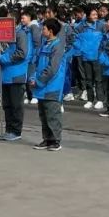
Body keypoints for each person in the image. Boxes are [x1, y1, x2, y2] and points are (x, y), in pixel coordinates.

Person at [0, 9, 30, 141]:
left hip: (16, 74)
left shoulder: (20, 34)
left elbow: (22, 53)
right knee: (7, 105)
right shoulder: (4, 34)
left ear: (15, 20)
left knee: (16, 105)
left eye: (8, 19)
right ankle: (9, 129)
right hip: (5, 75)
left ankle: (16, 131)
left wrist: (4, 58)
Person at [33, 17, 66, 151]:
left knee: (53, 114)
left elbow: (53, 68)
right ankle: (47, 139)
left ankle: (55, 140)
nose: (42, 30)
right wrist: (33, 77)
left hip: (52, 85)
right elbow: (37, 63)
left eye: (44, 29)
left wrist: (40, 80)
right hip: (42, 85)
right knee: (43, 114)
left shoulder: (57, 46)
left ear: (51, 31)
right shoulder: (45, 44)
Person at [74, 8, 105, 110]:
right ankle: (90, 100)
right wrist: (81, 49)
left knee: (98, 80)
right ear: (88, 16)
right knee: (88, 80)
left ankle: (100, 100)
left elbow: (105, 39)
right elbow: (75, 39)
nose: (96, 16)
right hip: (86, 57)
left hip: (97, 57)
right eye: (93, 14)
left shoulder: (101, 25)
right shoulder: (81, 26)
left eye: (96, 14)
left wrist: (101, 52)